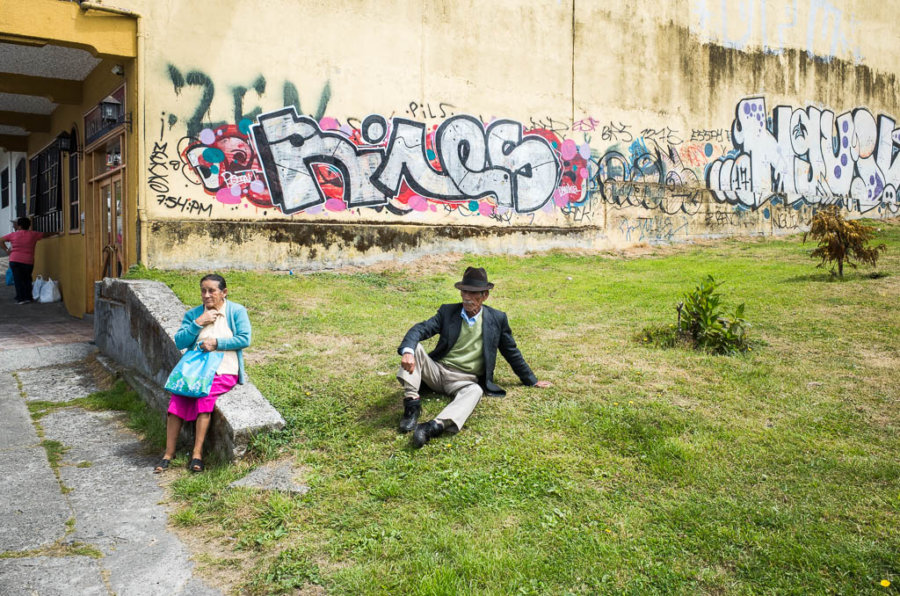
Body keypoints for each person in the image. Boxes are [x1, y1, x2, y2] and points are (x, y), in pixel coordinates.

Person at [397, 266, 551, 448]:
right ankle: (412, 405)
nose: (467, 297)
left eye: (473, 293)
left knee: (476, 391)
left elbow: (511, 351)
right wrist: (408, 351)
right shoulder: (447, 312)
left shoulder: (497, 319)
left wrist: (531, 380)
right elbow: (420, 329)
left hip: (464, 381)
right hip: (437, 372)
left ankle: (434, 426)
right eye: (464, 292)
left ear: (485, 295)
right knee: (415, 347)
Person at [154, 274, 251, 473]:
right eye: (203, 291)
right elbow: (180, 341)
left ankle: (197, 454)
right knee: (177, 399)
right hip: (196, 370)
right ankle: (168, 454)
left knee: (204, 397)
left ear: (224, 293)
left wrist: (217, 343)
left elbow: (244, 339)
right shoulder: (194, 315)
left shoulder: (236, 311)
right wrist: (199, 322)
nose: (206, 295)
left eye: (212, 291)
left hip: (223, 369)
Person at [0, 217, 45, 304]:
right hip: (28, 261)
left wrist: (6, 250)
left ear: (19, 226)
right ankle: (28, 297)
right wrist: (57, 232)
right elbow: (45, 234)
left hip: (15, 260)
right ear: (29, 226)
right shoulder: (34, 234)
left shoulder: (13, 235)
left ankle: (21, 299)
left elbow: (1, 240)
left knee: (18, 280)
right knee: (27, 279)